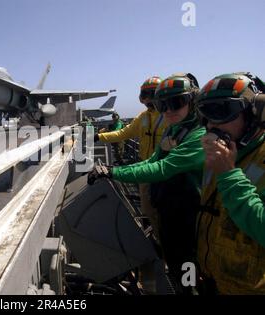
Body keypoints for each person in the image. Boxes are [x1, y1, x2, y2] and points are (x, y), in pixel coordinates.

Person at [89, 73, 206, 294]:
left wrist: (113, 172)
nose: (168, 110)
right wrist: (112, 170)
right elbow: (153, 161)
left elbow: (163, 168)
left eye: (176, 103)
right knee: (172, 254)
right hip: (168, 205)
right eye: (163, 104)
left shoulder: (198, 135)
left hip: (188, 214)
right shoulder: (174, 129)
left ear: (193, 101)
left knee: (187, 263)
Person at [195, 72, 265, 295]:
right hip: (211, 279)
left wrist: (228, 174)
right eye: (205, 115)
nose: (211, 125)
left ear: (254, 113)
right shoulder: (220, 153)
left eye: (222, 112)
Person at [94, 76, 167, 235]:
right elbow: (123, 133)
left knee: (164, 211)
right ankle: (154, 239)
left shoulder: (169, 117)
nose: (148, 99)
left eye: (151, 94)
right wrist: (99, 137)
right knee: (147, 208)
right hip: (144, 168)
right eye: (145, 95)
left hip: (166, 171)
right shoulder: (143, 117)